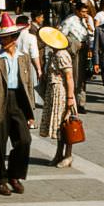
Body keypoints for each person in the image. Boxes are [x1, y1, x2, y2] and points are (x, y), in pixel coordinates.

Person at [0, 12, 36, 196]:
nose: (4, 41)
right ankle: (0, 180)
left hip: (19, 102)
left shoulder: (23, 58)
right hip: (0, 102)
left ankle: (15, 175)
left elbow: (28, 85)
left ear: (14, 37)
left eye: (7, 37)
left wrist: (31, 112)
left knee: (24, 141)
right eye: (2, 38)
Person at [39, 27, 77, 168]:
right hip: (54, 91)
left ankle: (68, 155)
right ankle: (59, 153)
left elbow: (69, 77)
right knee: (59, 127)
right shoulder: (54, 54)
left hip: (61, 92)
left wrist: (70, 98)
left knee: (65, 125)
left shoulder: (62, 55)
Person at [60, 1, 94, 113]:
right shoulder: (69, 21)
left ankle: (81, 102)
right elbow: (62, 35)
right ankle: (73, 101)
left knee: (83, 78)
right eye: (83, 12)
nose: (85, 14)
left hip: (85, 49)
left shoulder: (88, 19)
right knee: (75, 77)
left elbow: (92, 34)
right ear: (77, 11)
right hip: (75, 51)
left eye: (86, 12)